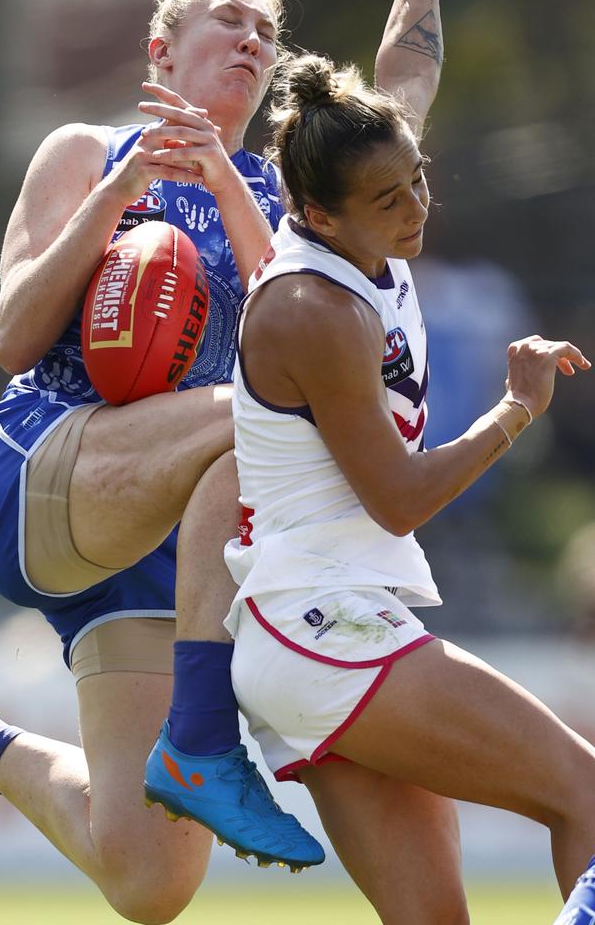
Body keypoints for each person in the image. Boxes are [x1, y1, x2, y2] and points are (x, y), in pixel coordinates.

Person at [0, 0, 449, 919]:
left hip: (166, 550)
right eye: (228, 21)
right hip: (44, 475)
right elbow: (12, 336)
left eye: (266, 31)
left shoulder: (292, 206)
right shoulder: (85, 150)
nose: (254, 39)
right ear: (163, 48)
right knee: (268, 423)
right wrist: (123, 190)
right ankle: (204, 733)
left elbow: (294, 334)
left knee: (150, 880)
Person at [218, 49, 593, 924]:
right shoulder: (317, 309)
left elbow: (404, 72)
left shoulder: (358, 209)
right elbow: (399, 498)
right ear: (315, 211)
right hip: (323, 627)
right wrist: (515, 411)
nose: (416, 206)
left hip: (315, 630)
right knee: (585, 794)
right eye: (389, 200)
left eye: (418, 181)